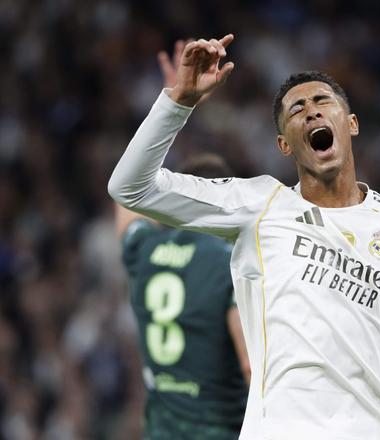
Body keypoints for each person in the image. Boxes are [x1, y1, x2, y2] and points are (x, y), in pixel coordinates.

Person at [108, 35, 380, 440]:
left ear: (351, 124)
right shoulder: (259, 206)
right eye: (297, 109)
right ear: (284, 144)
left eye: (322, 101)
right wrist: (178, 102)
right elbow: (130, 187)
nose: (311, 111)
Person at [114, 42, 249, 440]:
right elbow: (250, 365)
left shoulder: (143, 249)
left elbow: (126, 195)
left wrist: (175, 103)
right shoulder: (230, 262)